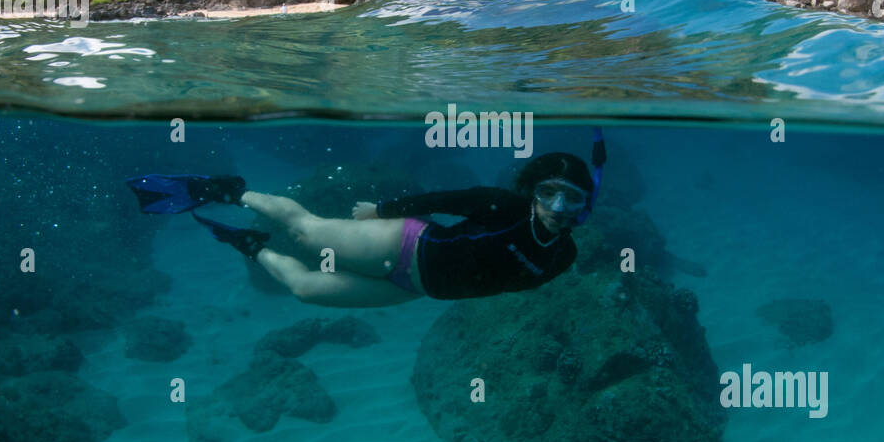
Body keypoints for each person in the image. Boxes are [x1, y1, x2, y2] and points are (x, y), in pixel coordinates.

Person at [127, 133, 605, 308]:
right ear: (532, 191)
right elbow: (445, 197)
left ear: (585, 204)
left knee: (305, 290)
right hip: (402, 245)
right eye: (549, 192)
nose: (558, 207)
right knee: (306, 231)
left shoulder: (564, 256)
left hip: (412, 289)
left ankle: (250, 245)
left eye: (571, 198)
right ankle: (225, 190)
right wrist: (381, 210)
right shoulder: (503, 205)